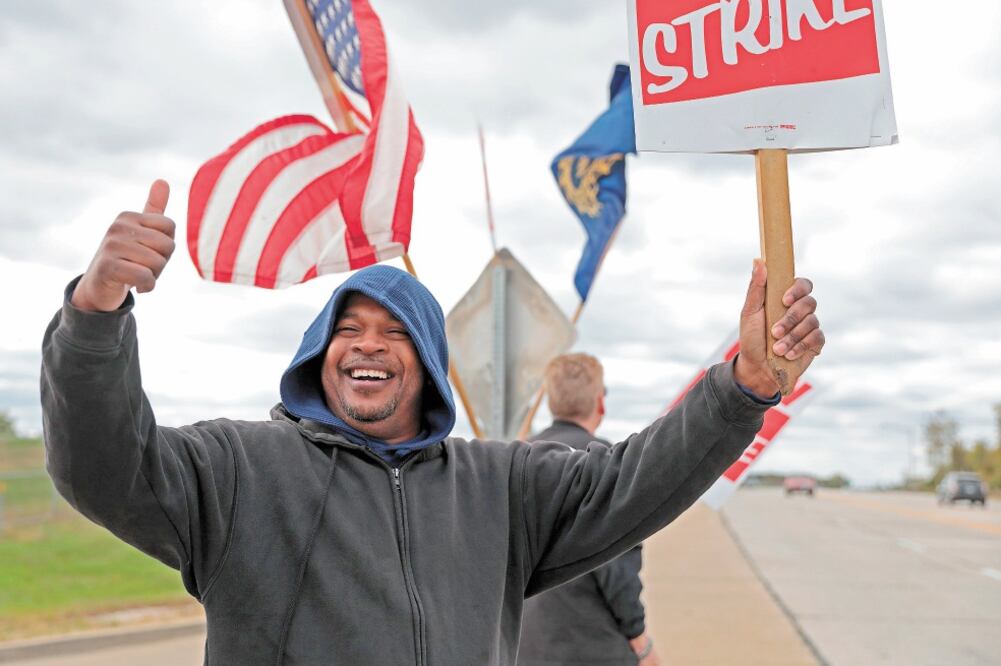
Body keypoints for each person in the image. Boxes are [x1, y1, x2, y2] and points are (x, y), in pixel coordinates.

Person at [40, 180, 825, 664]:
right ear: (319, 353)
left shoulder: (498, 486)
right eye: (349, 330)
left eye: (394, 333)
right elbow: (105, 467)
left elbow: (631, 482)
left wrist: (742, 387)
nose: (368, 345)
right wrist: (95, 313)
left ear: (425, 364)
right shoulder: (238, 470)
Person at [518, 353, 661, 666]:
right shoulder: (606, 465)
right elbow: (616, 565)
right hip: (593, 646)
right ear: (600, 403)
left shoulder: (516, 461)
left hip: (525, 645)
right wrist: (640, 641)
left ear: (552, 403)